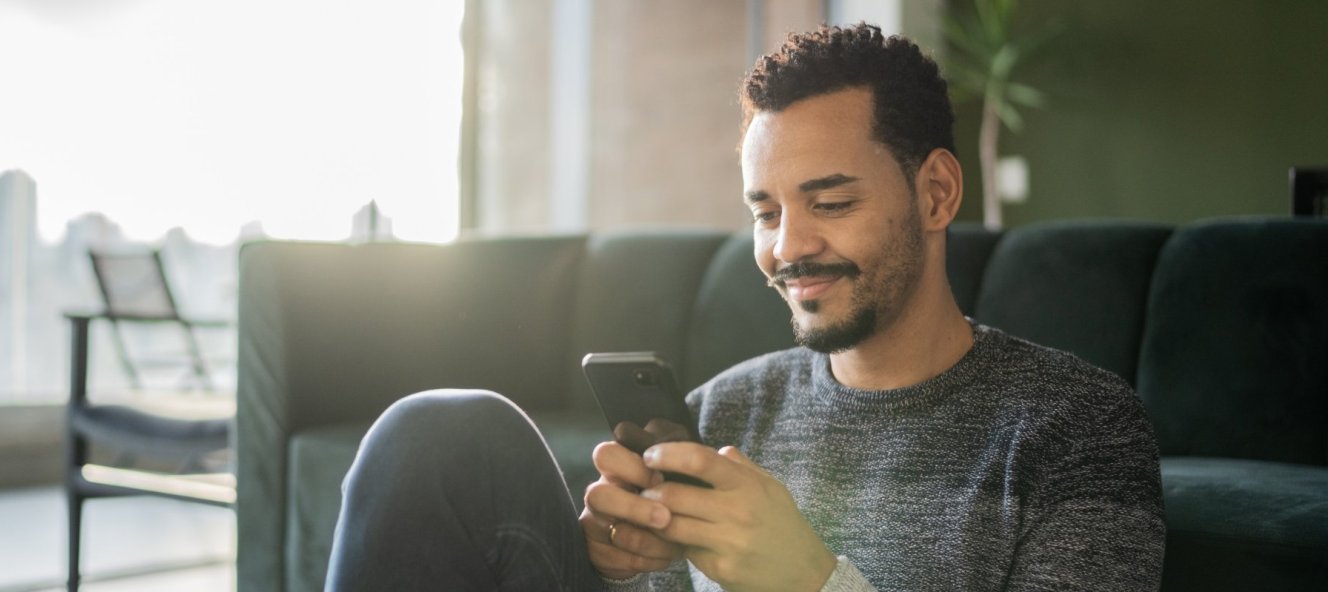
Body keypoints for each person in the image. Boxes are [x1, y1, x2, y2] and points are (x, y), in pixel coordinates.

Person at [324, 23, 1164, 592]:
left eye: (830, 202)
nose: (786, 247)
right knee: (440, 432)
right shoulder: (727, 407)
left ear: (937, 191)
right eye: (766, 212)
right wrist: (625, 569)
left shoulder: (1079, 430)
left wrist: (810, 579)